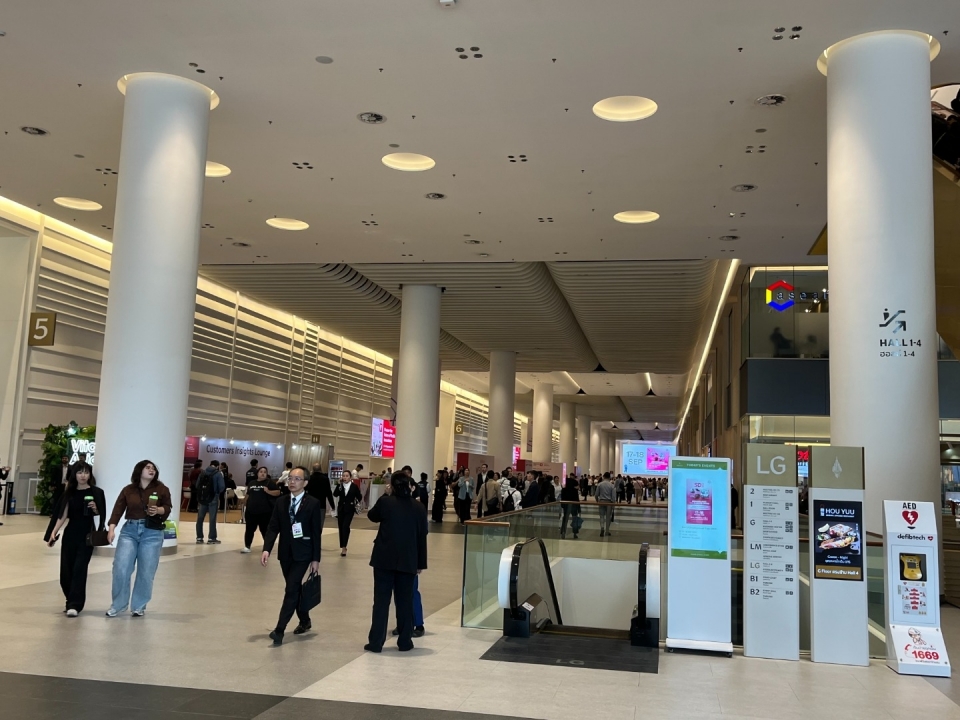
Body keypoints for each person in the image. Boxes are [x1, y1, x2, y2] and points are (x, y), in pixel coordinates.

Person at [364, 471, 428, 653]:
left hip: (384, 559)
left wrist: (385, 495)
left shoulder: (386, 502)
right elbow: (422, 536)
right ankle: (405, 641)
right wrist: (420, 563)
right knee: (405, 602)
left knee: (381, 602)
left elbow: (372, 515)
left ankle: (376, 642)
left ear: (391, 486)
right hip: (408, 560)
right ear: (409, 486)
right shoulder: (419, 507)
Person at [260, 466, 322, 645]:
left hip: (304, 553)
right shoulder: (281, 502)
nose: (292, 482)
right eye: (290, 478)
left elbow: (316, 533)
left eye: (297, 479)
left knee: (291, 588)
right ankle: (305, 620)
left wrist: (316, 559)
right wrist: (266, 549)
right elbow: (273, 527)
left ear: (305, 483)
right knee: (294, 589)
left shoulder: (313, 503)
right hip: (285, 553)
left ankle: (279, 630)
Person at [105, 460, 171, 617]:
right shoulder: (128, 490)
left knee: (146, 571)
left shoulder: (162, 489)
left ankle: (139, 606)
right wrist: (111, 529)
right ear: (139, 470)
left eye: (153, 468)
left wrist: (159, 510)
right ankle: (118, 604)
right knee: (121, 567)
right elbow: (118, 509)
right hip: (130, 531)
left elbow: (168, 508)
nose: (151, 470)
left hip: (152, 532)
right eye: (147, 467)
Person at [45, 462, 106, 615]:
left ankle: (75, 605)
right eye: (79, 472)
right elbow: (63, 515)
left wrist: (95, 508)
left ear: (90, 474)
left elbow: (101, 513)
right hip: (70, 534)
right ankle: (70, 599)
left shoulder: (97, 492)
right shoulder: (69, 493)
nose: (83, 475)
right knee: (66, 572)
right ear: (74, 475)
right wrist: (53, 532)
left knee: (80, 569)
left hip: (87, 535)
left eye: (86, 472)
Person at [243, 466, 281, 553]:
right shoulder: (252, 483)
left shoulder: (270, 482)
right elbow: (248, 494)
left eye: (264, 472)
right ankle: (247, 546)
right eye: (261, 472)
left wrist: (268, 491)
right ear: (257, 473)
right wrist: (244, 502)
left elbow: (277, 492)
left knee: (264, 530)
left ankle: (267, 548)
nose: (263, 473)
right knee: (249, 529)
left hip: (265, 512)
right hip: (251, 511)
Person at [194, 460, 224, 544]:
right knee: (212, 518)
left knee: (200, 518)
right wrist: (216, 493)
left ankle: (199, 537)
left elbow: (197, 485)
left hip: (203, 498)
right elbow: (222, 487)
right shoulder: (218, 474)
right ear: (217, 466)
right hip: (213, 498)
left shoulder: (202, 473)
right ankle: (211, 538)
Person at [334, 472, 362, 556]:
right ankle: (343, 545)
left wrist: (354, 502)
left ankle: (344, 547)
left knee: (345, 526)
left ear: (350, 477)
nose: (345, 477)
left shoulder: (354, 486)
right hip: (341, 509)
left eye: (347, 476)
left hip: (350, 509)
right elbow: (335, 494)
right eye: (343, 476)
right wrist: (339, 484)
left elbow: (359, 496)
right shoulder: (340, 486)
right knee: (341, 527)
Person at [595, 472, 616, 537]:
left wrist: (597, 501)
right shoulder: (612, 485)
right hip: (609, 502)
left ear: (603, 477)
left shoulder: (600, 484)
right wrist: (613, 504)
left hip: (601, 501)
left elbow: (596, 494)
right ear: (609, 477)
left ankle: (602, 528)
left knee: (601, 516)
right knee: (608, 517)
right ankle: (607, 531)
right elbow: (613, 496)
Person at [560, 476, 581, 540]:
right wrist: (579, 508)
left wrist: (562, 505)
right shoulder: (574, 490)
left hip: (566, 504)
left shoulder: (564, 489)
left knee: (565, 518)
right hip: (574, 504)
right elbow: (577, 499)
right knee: (575, 518)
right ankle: (575, 533)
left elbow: (562, 497)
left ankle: (563, 532)